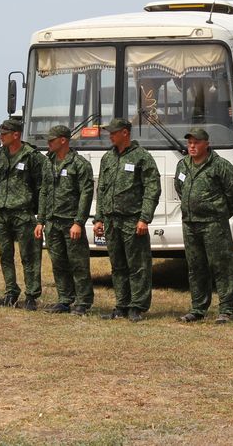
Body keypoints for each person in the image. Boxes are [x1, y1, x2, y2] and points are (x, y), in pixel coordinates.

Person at [93, 118, 162, 322]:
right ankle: (121, 305)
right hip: (112, 221)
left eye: (113, 132)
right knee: (118, 265)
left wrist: (144, 218)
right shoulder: (107, 158)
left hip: (133, 220)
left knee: (138, 265)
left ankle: (137, 306)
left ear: (125, 133)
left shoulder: (142, 157)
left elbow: (152, 189)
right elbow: (102, 190)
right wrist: (98, 218)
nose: (110, 135)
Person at [174, 127, 233, 324]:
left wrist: (219, 213)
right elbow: (180, 188)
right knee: (196, 267)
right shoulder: (183, 165)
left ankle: (226, 310)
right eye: (190, 143)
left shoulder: (220, 165)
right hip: (190, 224)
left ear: (206, 143)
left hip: (214, 224)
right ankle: (198, 308)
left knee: (222, 266)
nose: (192, 146)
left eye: (196, 142)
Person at [36, 125, 95, 315]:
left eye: (51, 140)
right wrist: (41, 220)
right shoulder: (48, 162)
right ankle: (64, 299)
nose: (48, 144)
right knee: (58, 262)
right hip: (52, 222)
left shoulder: (79, 164)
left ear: (63, 140)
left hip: (71, 221)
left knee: (78, 263)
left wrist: (79, 221)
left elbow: (86, 194)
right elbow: (44, 191)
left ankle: (83, 301)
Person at [0, 118, 46, 310]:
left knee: (29, 255)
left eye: (4, 134)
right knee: (5, 254)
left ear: (16, 135)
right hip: (2, 212)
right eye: (0, 133)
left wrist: (38, 213)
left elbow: (41, 186)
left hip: (24, 213)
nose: (1, 137)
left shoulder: (32, 156)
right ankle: (10, 292)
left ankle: (31, 295)